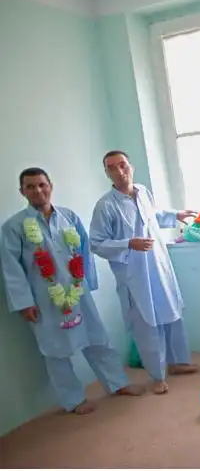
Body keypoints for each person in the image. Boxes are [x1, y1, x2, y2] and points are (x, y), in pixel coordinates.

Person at [0, 167, 145, 415]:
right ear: (22, 191)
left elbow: (84, 251)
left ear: (50, 186)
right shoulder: (14, 227)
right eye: (30, 186)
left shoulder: (68, 217)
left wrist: (87, 283)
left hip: (78, 291)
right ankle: (73, 400)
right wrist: (23, 302)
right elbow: (11, 268)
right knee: (54, 350)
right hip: (44, 299)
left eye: (42, 185)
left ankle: (117, 384)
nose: (37, 190)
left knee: (98, 338)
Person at [89, 151, 200, 395]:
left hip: (158, 265)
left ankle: (178, 362)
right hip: (133, 274)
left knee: (171, 312)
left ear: (131, 166)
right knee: (146, 323)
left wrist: (176, 215)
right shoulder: (106, 206)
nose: (119, 171)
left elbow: (152, 216)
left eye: (122, 165)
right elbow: (96, 243)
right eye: (112, 168)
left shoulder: (142, 192)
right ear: (107, 173)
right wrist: (128, 244)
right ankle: (157, 375)